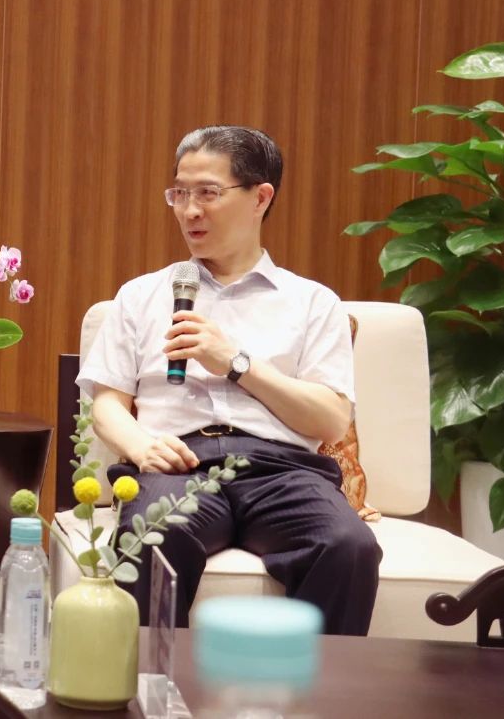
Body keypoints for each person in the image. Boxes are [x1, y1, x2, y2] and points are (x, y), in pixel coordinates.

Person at [76, 125, 381, 636]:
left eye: (208, 193)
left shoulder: (312, 302)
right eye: (180, 193)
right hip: (177, 463)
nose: (189, 210)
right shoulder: (141, 296)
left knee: (348, 546)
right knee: (152, 534)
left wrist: (235, 363)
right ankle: (149, 682)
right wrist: (141, 446)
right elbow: (107, 403)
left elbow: (330, 419)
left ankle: (316, 686)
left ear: (261, 197)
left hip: (283, 471)